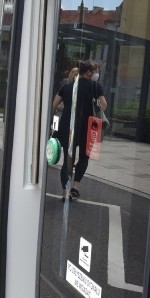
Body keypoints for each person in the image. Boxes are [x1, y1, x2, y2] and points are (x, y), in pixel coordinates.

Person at [51, 60, 107, 201]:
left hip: (67, 127)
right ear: (88, 72)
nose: (95, 74)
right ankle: (75, 187)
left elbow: (54, 105)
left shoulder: (68, 86)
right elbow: (104, 106)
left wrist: (53, 123)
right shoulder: (95, 87)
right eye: (94, 71)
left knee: (67, 160)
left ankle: (65, 192)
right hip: (88, 127)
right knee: (84, 157)